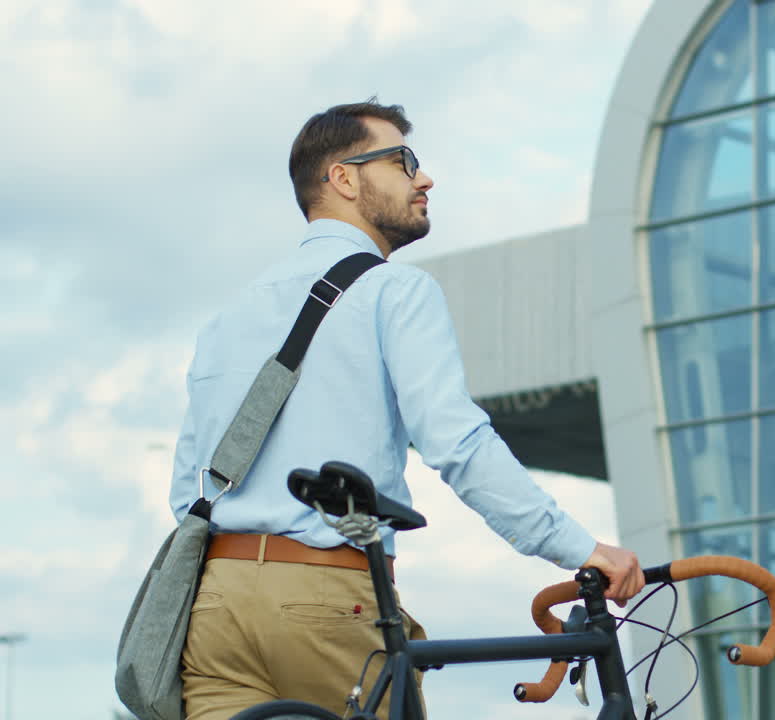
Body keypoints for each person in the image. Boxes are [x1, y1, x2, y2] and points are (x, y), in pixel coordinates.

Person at [169, 99, 644, 720]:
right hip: (326, 592)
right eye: (403, 161)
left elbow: (188, 486)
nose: (424, 178)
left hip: (215, 602)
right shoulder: (396, 290)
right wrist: (579, 548)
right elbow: (457, 443)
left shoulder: (227, 319)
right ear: (343, 178)